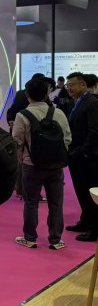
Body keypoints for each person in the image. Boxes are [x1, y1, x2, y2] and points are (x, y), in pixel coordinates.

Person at [12, 78, 71, 251]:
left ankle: (30, 238)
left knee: (31, 202)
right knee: (56, 204)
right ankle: (55, 239)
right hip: (56, 166)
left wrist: (22, 159)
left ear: (27, 94)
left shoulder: (22, 115)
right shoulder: (58, 113)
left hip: (31, 165)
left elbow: (17, 142)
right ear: (47, 94)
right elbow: (67, 139)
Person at [65, 72, 98, 242]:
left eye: (72, 85)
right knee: (81, 191)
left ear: (83, 85)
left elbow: (94, 131)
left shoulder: (92, 103)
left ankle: (94, 229)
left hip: (87, 157)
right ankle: (85, 222)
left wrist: (84, 151)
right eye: (68, 85)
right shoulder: (76, 102)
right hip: (75, 155)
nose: (69, 88)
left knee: (90, 192)